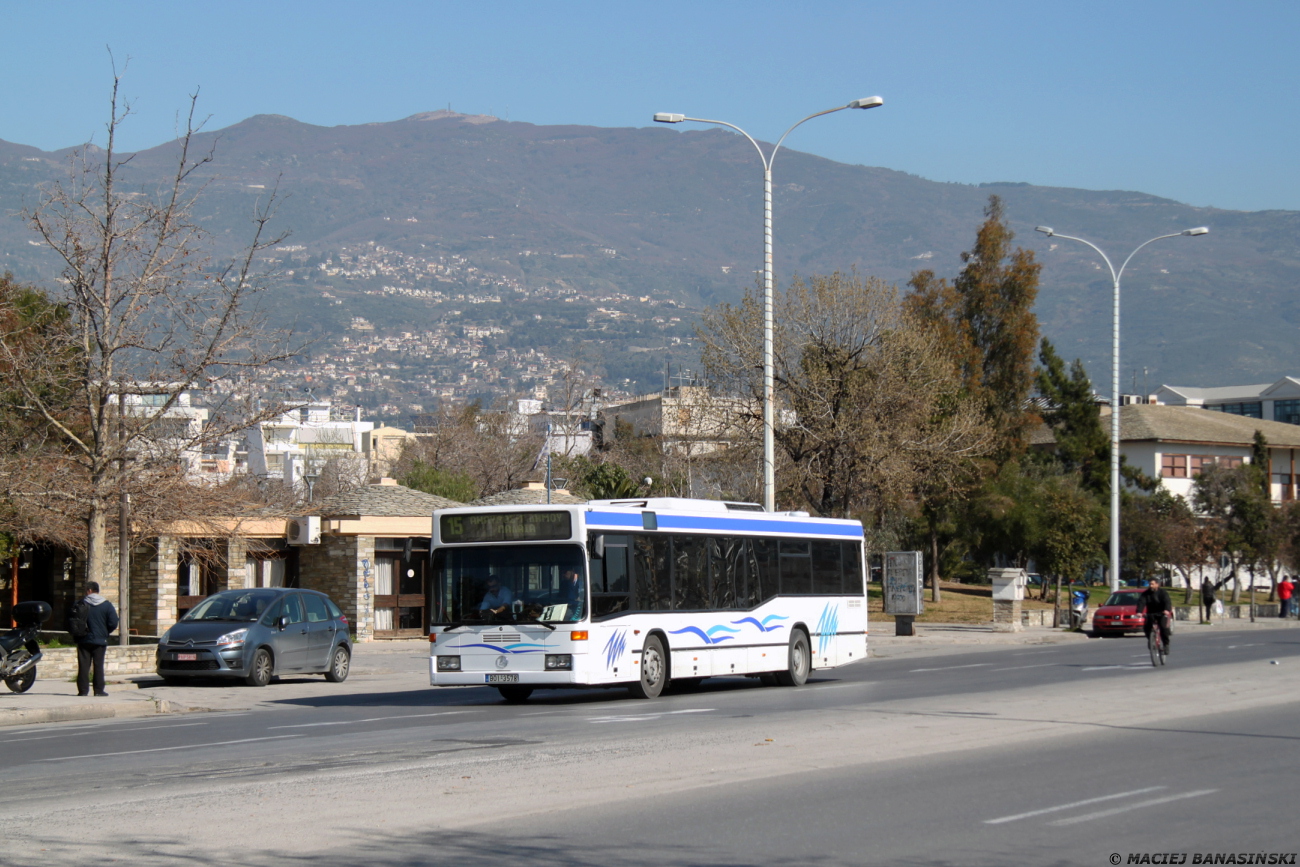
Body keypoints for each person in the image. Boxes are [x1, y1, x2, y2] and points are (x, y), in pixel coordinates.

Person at [74, 581, 119, 697]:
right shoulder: (106, 605)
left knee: (83, 666)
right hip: (100, 640)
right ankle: (99, 690)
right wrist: (105, 632)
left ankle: (83, 691)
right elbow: (113, 622)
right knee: (98, 665)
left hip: (83, 639)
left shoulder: (80, 604)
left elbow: (72, 620)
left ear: (89, 590)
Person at [1136, 577, 1173, 655]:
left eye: (1152, 584)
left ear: (1157, 584)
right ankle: (1151, 640)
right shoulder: (1146, 593)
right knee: (1146, 627)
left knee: (1163, 628)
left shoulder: (1162, 592)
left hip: (1162, 613)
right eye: (1150, 584)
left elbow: (1167, 601)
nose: (1150, 586)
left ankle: (1166, 644)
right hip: (1151, 613)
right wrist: (1139, 611)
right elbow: (1141, 602)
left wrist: (1166, 610)